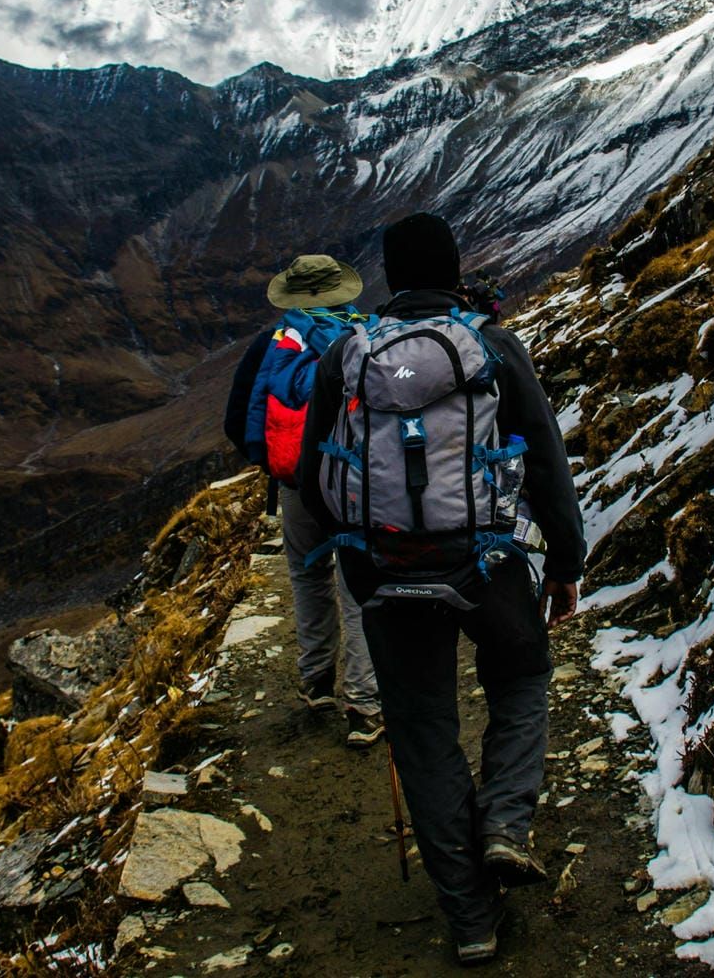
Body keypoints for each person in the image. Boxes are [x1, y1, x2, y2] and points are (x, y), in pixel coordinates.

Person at [299, 212, 583, 966]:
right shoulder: (492, 348)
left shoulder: (347, 357)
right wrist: (564, 561)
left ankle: (470, 921)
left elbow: (313, 473)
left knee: (424, 734)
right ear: (456, 270)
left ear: (391, 278)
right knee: (521, 678)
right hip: (485, 564)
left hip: (387, 574)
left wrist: (356, 558)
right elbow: (547, 460)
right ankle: (504, 827)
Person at [224, 253, 384, 748]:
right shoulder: (370, 336)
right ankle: (365, 703)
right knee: (358, 583)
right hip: (357, 485)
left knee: (307, 573)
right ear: (344, 291)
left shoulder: (272, 344)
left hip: (297, 484)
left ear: (291, 296)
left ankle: (317, 682)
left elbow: (237, 419)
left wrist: (276, 461)